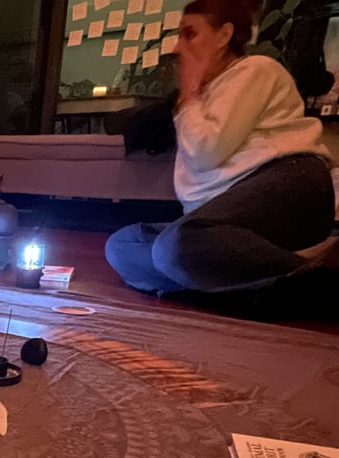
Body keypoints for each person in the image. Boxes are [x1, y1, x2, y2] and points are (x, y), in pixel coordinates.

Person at [104, 0, 338, 319]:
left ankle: (318, 279)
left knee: (175, 247)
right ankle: (248, 291)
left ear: (224, 34)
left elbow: (206, 153)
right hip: (224, 217)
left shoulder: (255, 69)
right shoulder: (202, 96)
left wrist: (187, 99)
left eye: (190, 34)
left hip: (291, 185)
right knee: (121, 246)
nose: (178, 46)